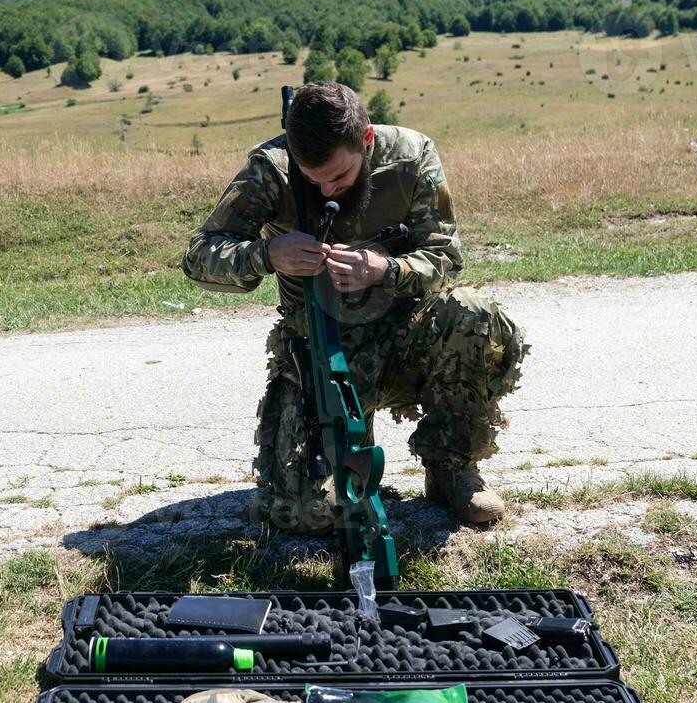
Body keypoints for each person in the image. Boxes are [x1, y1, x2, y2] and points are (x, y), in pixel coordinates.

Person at [182, 81, 527, 529]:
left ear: (366, 139)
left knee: (479, 317)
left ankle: (451, 467)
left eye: (339, 176)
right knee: (304, 515)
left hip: (407, 334)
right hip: (319, 350)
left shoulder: (411, 155)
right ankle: (339, 459)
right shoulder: (271, 168)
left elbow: (446, 258)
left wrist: (384, 269)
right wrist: (266, 255)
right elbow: (198, 256)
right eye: (312, 179)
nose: (327, 188)